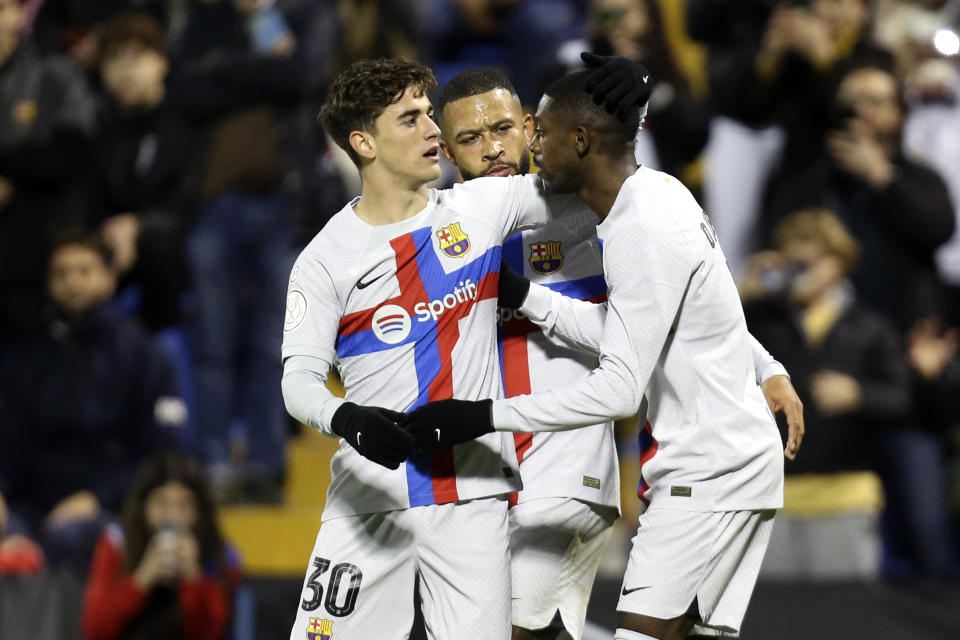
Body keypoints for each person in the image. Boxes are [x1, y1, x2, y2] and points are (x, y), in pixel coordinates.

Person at [406, 70, 802, 640]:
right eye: (471, 139)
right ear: (444, 149)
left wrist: (765, 365)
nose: (493, 148)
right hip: (483, 471)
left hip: (570, 465)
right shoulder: (443, 227)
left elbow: (680, 298)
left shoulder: (593, 200)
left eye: (503, 129)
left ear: (529, 127)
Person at [279, 56, 644, 639]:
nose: (432, 131)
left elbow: (604, 178)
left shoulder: (482, 210)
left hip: (471, 495)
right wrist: (345, 416)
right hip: (370, 496)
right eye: (410, 119)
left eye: (429, 115)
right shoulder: (324, 259)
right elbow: (297, 381)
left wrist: (629, 107)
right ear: (363, 142)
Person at [0, 231, 185, 576]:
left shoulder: (143, 355)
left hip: (112, 509)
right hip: (31, 506)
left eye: (84, 271)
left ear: (110, 278)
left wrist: (98, 498)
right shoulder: (27, 358)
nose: (72, 282)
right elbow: (8, 439)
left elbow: (161, 454)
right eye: (61, 273)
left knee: (69, 538)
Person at [741, 208, 910, 580]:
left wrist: (859, 395)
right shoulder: (759, 321)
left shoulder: (869, 326)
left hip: (845, 498)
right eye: (792, 263)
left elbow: (903, 399)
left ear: (838, 263)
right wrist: (738, 294)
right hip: (772, 497)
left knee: (843, 619)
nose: (801, 273)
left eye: (811, 262)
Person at [83, 451, 242, 640]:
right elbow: (95, 630)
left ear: (200, 511)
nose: (172, 517)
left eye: (184, 505)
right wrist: (142, 580)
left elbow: (212, 632)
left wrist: (193, 579)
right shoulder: (117, 543)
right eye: (161, 503)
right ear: (143, 507)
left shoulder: (220, 555)